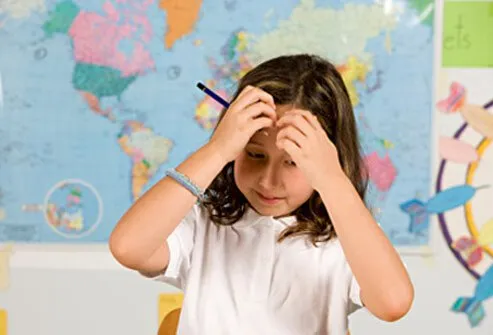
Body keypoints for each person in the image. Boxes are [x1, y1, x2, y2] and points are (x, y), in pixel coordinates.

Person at [109, 54, 414, 334]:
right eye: (254, 155)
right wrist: (216, 149)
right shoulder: (203, 226)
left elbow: (392, 303)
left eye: (292, 162)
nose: (269, 181)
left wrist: (333, 179)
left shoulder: (345, 240)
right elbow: (128, 247)